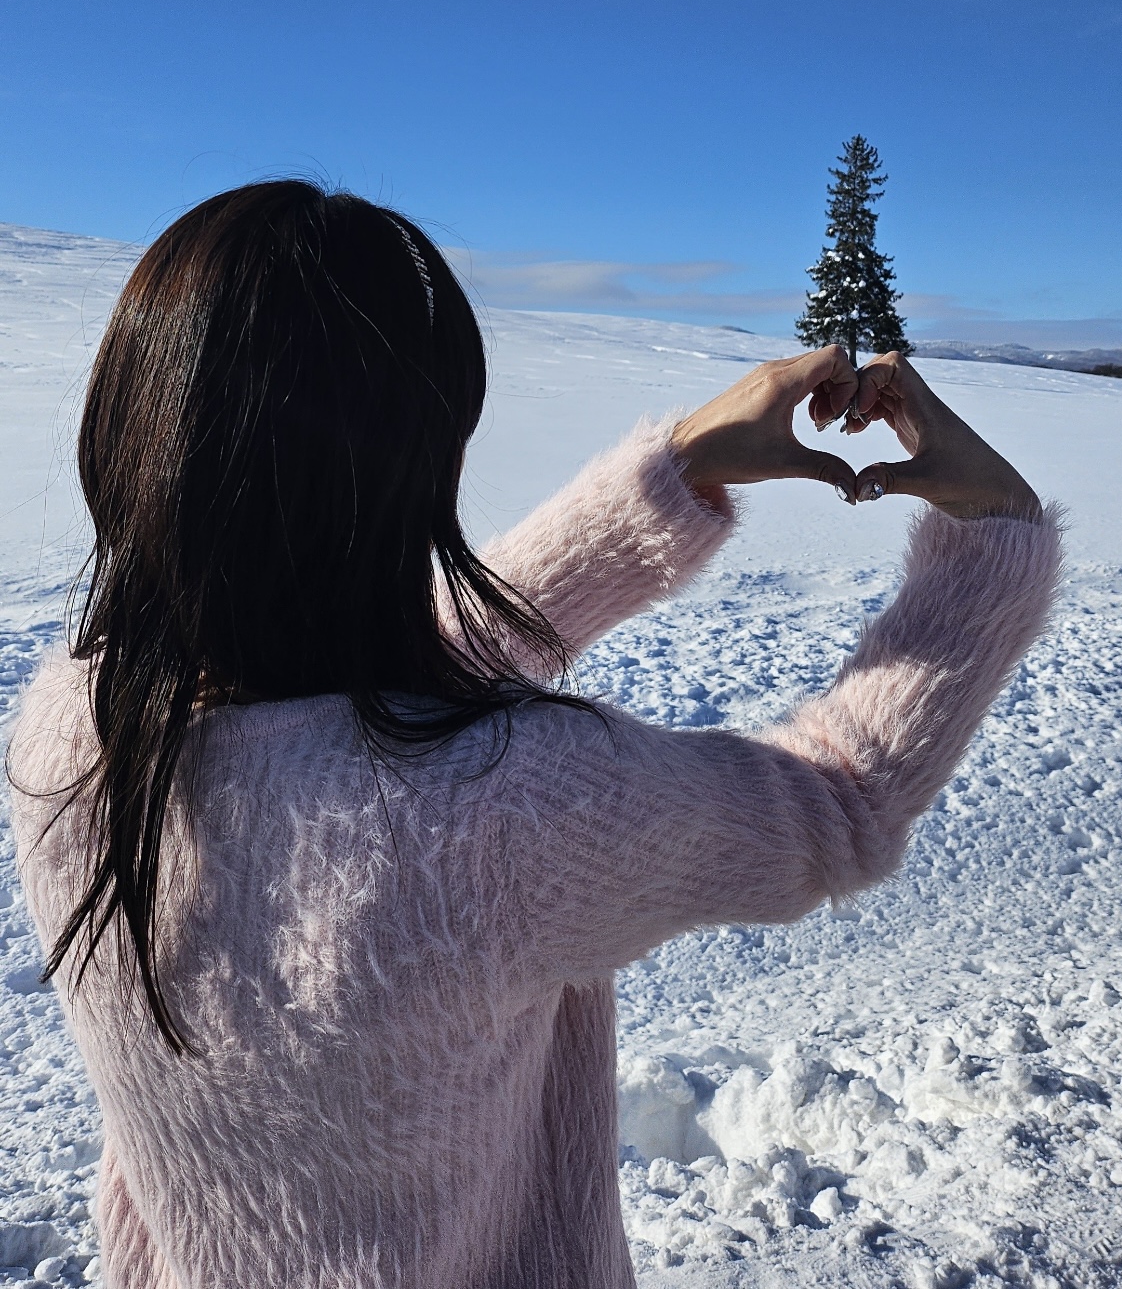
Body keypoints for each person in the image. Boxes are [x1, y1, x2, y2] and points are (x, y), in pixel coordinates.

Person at [7, 181, 1061, 1289]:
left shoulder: (69, 737)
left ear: (131, 426)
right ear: (413, 464)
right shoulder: (500, 810)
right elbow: (837, 804)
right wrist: (994, 537)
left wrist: (673, 475)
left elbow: (366, 691)